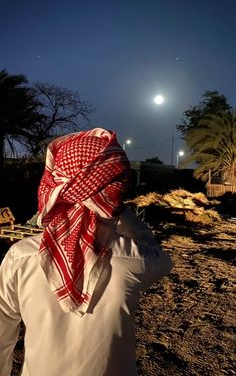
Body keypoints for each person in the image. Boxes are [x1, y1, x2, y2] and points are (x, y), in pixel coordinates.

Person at [0, 127, 173, 376]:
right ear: (116, 187)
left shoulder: (20, 256)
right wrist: (120, 213)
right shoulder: (134, 258)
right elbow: (163, 261)